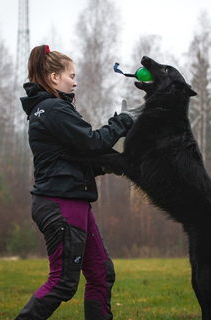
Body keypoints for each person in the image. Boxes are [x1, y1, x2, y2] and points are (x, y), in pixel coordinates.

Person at [16, 44, 143, 320]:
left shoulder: (49, 110)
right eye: (71, 75)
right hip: (61, 204)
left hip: (71, 202)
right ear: (53, 78)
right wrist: (124, 121)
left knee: (101, 273)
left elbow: (76, 157)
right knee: (62, 282)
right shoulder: (52, 108)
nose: (75, 81)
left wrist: (114, 164)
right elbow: (93, 142)